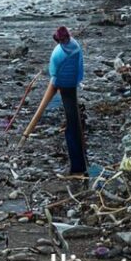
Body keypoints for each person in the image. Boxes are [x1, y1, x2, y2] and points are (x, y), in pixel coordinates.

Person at [42, 26, 87, 176]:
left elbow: (53, 73)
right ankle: (81, 162)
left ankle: (77, 166)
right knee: (74, 121)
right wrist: (77, 80)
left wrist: (57, 85)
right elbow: (80, 68)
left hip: (63, 85)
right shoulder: (76, 46)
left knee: (71, 125)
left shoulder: (58, 54)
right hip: (72, 84)